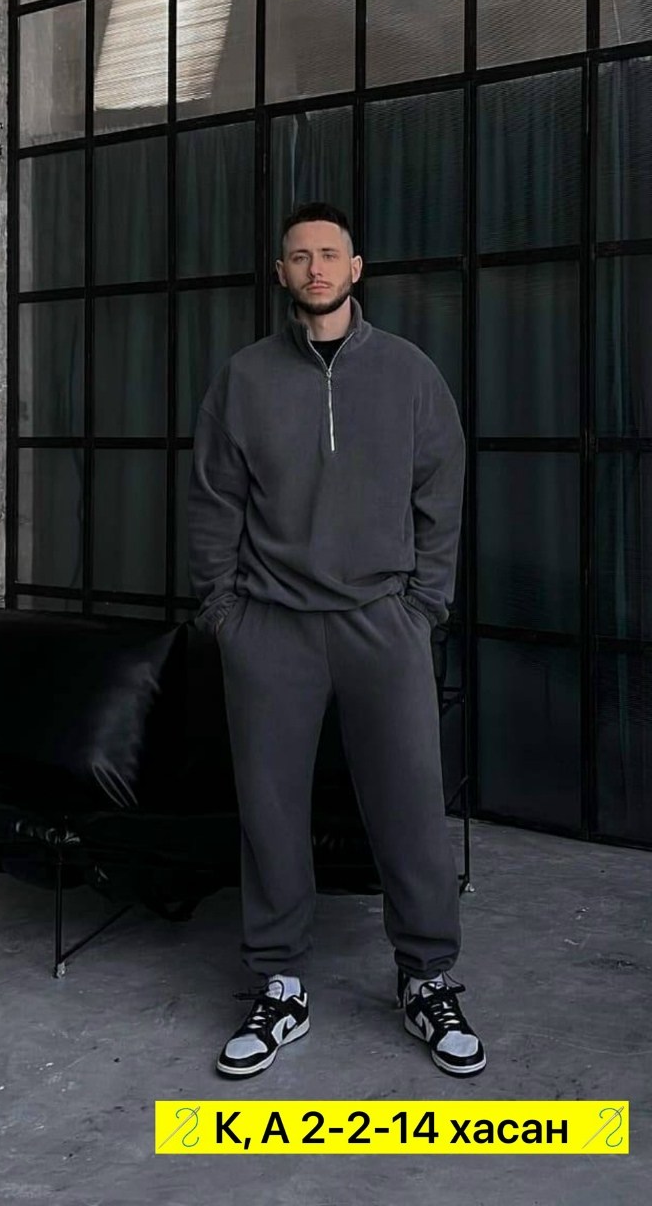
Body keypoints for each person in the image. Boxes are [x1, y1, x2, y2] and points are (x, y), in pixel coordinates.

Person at [187, 201, 485, 1079]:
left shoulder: (409, 373)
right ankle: (280, 984)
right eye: (298, 256)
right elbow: (213, 499)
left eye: (329, 254)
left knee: (410, 806)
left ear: (356, 269)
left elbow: (443, 490)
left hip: (380, 623)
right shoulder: (244, 378)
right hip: (270, 625)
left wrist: (423, 605)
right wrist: (224, 612)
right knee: (270, 811)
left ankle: (427, 978)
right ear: (281, 272)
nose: (315, 267)